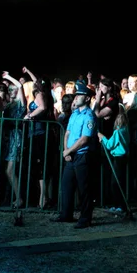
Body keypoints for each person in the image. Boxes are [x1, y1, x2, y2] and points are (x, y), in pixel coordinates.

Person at [50, 82, 97, 229]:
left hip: (82, 155)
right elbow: (67, 134)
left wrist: (68, 151)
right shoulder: (75, 114)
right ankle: (66, 214)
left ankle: (85, 218)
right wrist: (66, 150)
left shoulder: (89, 116)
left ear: (87, 98)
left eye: (80, 95)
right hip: (71, 155)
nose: (76, 97)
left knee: (84, 188)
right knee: (67, 185)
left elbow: (85, 139)